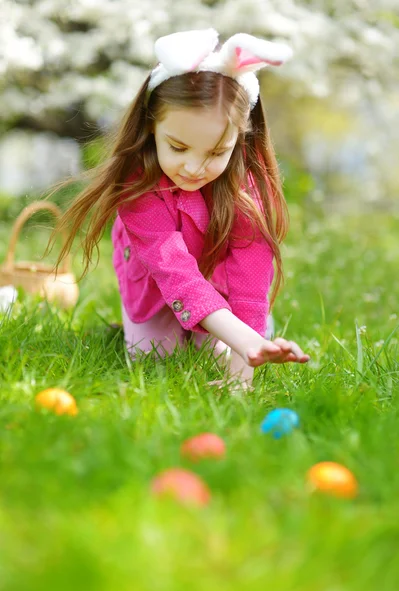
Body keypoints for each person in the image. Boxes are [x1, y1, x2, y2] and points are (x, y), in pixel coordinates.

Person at [51, 28, 310, 390]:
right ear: (151, 128)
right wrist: (244, 338)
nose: (193, 167)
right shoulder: (136, 186)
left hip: (217, 283)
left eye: (217, 153)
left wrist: (243, 373)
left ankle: (236, 330)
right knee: (157, 360)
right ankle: (157, 325)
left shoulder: (248, 189)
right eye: (178, 147)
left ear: (240, 139)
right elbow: (175, 272)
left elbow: (251, 279)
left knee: (215, 354)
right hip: (157, 282)